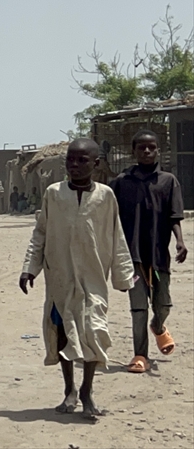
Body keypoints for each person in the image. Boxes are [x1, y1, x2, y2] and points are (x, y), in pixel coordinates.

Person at [20, 138, 133, 420]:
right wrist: (29, 268)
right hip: (60, 276)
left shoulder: (106, 196)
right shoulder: (54, 193)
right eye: (70, 160)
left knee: (94, 329)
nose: (75, 165)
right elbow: (41, 233)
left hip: (94, 277)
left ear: (96, 164)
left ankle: (87, 390)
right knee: (62, 333)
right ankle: (69, 388)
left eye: (82, 160)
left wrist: (123, 276)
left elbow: (116, 235)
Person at [110, 129, 188, 373]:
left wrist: (180, 241)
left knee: (162, 303)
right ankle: (140, 355)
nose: (146, 151)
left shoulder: (168, 181)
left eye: (151, 147)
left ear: (158, 150)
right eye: (141, 147)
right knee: (138, 307)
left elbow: (174, 216)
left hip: (157, 255)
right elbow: (109, 218)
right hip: (131, 256)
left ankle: (158, 325)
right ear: (133, 151)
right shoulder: (122, 182)